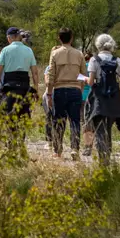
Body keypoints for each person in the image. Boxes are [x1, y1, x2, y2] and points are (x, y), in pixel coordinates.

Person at [87, 34, 120, 165]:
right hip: (113, 100)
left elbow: (90, 82)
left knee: (100, 129)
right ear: (111, 44)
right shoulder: (117, 60)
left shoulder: (94, 60)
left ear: (98, 45)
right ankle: (107, 155)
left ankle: (103, 160)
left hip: (99, 100)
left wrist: (84, 79)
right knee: (108, 128)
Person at [0, 27, 41, 136]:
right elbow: (35, 73)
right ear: (18, 36)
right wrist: (36, 90)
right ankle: (21, 141)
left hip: (9, 86)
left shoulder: (5, 50)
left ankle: (9, 140)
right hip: (24, 87)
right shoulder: (28, 50)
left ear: (9, 38)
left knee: (4, 114)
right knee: (23, 115)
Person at [45, 28, 86, 159]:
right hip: (75, 89)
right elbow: (84, 75)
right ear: (72, 38)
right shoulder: (79, 54)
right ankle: (75, 148)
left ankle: (57, 150)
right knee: (75, 120)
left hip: (59, 89)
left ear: (59, 38)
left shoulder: (55, 54)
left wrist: (49, 94)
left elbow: (51, 75)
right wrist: (80, 87)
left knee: (58, 121)